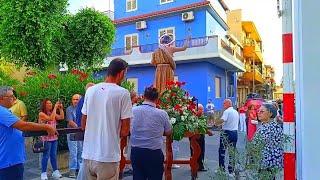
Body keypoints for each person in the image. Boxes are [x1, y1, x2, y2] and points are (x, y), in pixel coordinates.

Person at [81, 58, 133, 180]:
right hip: (108, 156)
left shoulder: (91, 90)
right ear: (121, 73)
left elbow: (83, 124)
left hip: (88, 155)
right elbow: (125, 130)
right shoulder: (123, 93)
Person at [0, 86, 56, 180]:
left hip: (11, 160)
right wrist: (46, 126)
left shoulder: (5, 111)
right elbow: (23, 126)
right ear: (1, 98)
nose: (14, 98)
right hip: (8, 162)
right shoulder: (2, 112)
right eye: (10, 96)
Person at [130, 87, 172, 180]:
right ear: (157, 99)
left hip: (137, 151)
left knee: (138, 177)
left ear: (144, 96)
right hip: (154, 153)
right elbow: (169, 131)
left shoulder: (133, 110)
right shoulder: (162, 113)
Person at [253, 103, 283, 179]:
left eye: (262, 111)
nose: (258, 113)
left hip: (268, 162)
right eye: (258, 111)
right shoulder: (265, 124)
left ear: (270, 113)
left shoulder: (271, 127)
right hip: (265, 162)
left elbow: (257, 143)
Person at [38, 99, 65, 180]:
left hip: (54, 137)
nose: (50, 104)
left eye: (51, 103)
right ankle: (43, 173)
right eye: (48, 103)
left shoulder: (51, 112)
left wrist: (60, 108)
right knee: (45, 156)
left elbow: (61, 117)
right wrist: (55, 107)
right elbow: (50, 118)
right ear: (44, 105)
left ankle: (55, 171)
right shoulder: (41, 114)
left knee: (53, 155)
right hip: (46, 138)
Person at [215, 99, 239, 177]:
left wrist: (216, 122)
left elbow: (223, 120)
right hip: (235, 132)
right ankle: (231, 171)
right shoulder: (235, 112)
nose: (223, 105)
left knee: (222, 151)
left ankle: (222, 169)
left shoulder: (227, 111)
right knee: (232, 152)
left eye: (224, 103)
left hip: (226, 133)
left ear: (228, 104)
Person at [75, 82, 95, 180]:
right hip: (87, 133)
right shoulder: (86, 101)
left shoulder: (82, 101)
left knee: (85, 158)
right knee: (87, 158)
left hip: (84, 132)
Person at [66, 94, 81, 178]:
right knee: (73, 152)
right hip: (72, 133)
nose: (75, 101)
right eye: (74, 99)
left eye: (77, 99)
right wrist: (80, 128)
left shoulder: (82, 109)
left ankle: (80, 169)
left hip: (80, 133)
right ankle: (72, 171)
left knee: (80, 151)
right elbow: (70, 122)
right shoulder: (69, 109)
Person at [190, 104, 207, 171]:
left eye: (202, 109)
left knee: (200, 151)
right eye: (201, 109)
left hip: (200, 135)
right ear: (197, 110)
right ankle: (196, 165)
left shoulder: (201, 116)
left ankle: (199, 165)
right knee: (196, 151)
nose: (202, 111)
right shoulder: (194, 117)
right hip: (196, 136)